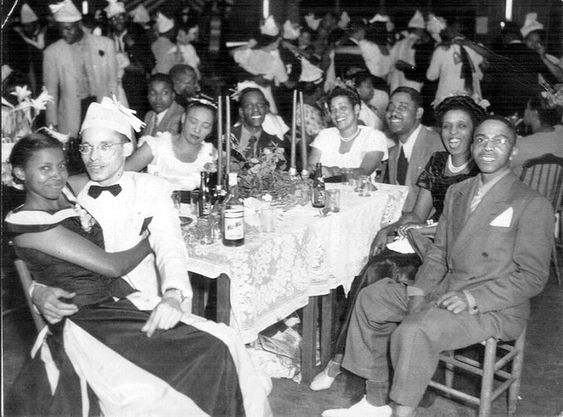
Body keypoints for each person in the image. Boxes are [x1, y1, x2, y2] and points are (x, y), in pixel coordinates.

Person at [10, 101, 271, 416]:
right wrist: (37, 290)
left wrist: (174, 292)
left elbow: (171, 246)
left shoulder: (152, 189)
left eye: (106, 146)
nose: (95, 157)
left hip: (147, 300)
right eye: (88, 148)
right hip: (100, 316)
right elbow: (41, 255)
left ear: (127, 147)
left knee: (224, 342)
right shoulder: (63, 189)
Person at [322, 115, 554, 417]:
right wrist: (418, 291)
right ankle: (375, 402)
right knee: (372, 298)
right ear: (472, 147)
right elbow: (439, 252)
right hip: (446, 290)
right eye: (481, 139)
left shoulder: (531, 203)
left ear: (513, 151)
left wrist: (472, 298)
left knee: (415, 330)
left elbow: (533, 277)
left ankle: (400, 413)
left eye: (500, 141)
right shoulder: (459, 192)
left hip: (492, 307)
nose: (488, 147)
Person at [310, 94, 485, 391]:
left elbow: (464, 231)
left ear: (473, 131)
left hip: (451, 253)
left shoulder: (480, 170)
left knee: (384, 267)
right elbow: (417, 214)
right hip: (425, 240)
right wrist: (388, 228)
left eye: (462, 127)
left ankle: (344, 360)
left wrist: (424, 232)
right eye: (447, 127)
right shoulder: (438, 160)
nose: (453, 134)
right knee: (373, 263)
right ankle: (344, 358)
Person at [43, 0, 118, 136]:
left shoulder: (105, 44)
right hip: (72, 115)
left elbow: (113, 82)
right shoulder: (52, 52)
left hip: (102, 108)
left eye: (68, 28)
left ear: (79, 25)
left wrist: (116, 112)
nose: (65, 34)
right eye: (61, 30)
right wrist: (51, 124)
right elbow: (50, 92)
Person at [126, 95, 217, 192]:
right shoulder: (157, 146)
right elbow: (119, 175)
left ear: (211, 130)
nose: (197, 130)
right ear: (183, 118)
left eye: (205, 126)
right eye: (193, 122)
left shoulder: (211, 154)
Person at [385, 87, 443, 212]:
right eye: (390, 108)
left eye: (402, 107)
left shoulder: (436, 146)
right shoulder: (393, 153)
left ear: (418, 113)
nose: (393, 113)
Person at [308, 86, 388, 178]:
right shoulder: (324, 135)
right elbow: (312, 167)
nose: (337, 114)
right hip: (323, 191)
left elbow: (364, 172)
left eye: (343, 108)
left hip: (360, 191)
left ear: (356, 109)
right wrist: (311, 169)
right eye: (333, 110)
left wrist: (334, 171)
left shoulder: (374, 137)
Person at [426, 25, 484, 107]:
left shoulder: (441, 50)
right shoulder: (475, 47)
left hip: (446, 98)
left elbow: (431, 76)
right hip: (472, 99)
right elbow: (482, 70)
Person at [511, 91, 563, 175]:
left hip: (521, 187)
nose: (525, 111)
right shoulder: (560, 131)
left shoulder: (521, 145)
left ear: (534, 113)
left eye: (527, 108)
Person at [229, 87, 286, 163]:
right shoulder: (227, 136)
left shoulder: (275, 143)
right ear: (241, 112)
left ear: (266, 109)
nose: (256, 109)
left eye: (260, 105)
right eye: (249, 106)